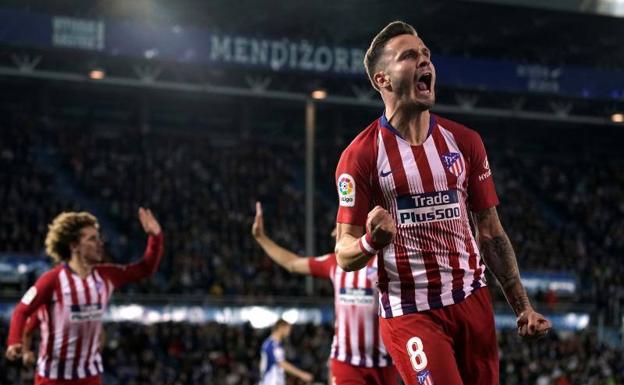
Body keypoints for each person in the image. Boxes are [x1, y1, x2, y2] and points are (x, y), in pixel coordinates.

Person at [333, 21, 551, 385]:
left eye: (426, 55)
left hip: (472, 301)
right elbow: (343, 251)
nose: (424, 62)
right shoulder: (361, 156)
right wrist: (373, 242)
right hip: (411, 312)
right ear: (382, 80)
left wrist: (523, 307)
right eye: (409, 56)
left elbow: (491, 234)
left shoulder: (464, 142)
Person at [5, 208, 163, 385]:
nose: (100, 243)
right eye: (92, 239)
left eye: (99, 237)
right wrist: (15, 342)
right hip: (52, 379)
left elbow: (145, 269)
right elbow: (21, 311)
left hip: (89, 377)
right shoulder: (51, 280)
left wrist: (155, 238)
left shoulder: (106, 276)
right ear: (74, 246)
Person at [252, 202, 396, 385]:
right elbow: (292, 264)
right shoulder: (333, 264)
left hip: (383, 362)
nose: (335, 233)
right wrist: (261, 238)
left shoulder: (384, 262)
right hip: (345, 362)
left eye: (340, 227)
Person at [259, 319, 313, 385]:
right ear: (281, 328)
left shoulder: (271, 343)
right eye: (288, 329)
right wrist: (302, 374)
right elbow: (282, 363)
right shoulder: (273, 345)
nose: (289, 332)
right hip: (272, 381)